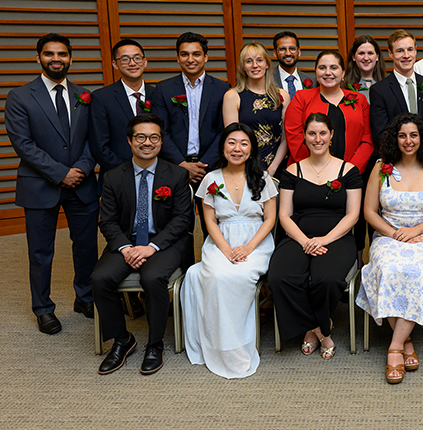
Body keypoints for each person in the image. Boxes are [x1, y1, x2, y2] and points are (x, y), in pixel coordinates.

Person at [5, 33, 99, 334]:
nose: (56, 59)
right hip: (40, 184)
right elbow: (23, 144)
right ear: (38, 58)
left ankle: (84, 297)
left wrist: (81, 169)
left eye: (62, 54)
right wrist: (61, 173)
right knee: (40, 251)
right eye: (49, 54)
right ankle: (43, 308)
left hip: (82, 183)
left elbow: (92, 141)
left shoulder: (84, 95)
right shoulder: (19, 96)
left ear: (71, 58)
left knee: (85, 246)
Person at [91, 114, 193, 375]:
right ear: (130, 141)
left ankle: (155, 344)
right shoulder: (114, 177)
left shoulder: (177, 175)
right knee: (100, 278)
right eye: (141, 137)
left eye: (154, 137)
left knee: (153, 276)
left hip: (164, 244)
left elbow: (182, 220)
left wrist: (152, 247)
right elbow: (108, 221)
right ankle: (122, 340)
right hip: (126, 242)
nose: (147, 142)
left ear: (160, 141)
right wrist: (126, 248)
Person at [356, 113, 423, 384]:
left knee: (418, 269)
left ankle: (394, 346)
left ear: (422, 138)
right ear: (394, 139)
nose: (408, 141)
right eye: (402, 135)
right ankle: (404, 342)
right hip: (388, 235)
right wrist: (394, 234)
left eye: (413, 135)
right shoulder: (380, 168)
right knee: (388, 268)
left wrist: (416, 231)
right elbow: (369, 212)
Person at [181, 123, 278, 379]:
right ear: (223, 147)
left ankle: (237, 344)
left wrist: (248, 247)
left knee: (237, 277)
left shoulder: (263, 178)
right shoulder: (211, 180)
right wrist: (226, 249)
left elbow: (270, 219)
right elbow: (210, 221)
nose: (237, 148)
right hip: (220, 242)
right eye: (232, 142)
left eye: (244, 143)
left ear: (251, 148)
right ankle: (219, 344)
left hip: (256, 241)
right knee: (215, 276)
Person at [268, 113, 363, 359]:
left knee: (327, 280)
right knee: (280, 277)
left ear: (331, 136)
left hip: (337, 236)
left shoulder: (349, 170)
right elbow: (285, 215)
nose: (317, 139)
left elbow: (352, 215)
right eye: (312, 133)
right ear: (304, 137)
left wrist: (324, 240)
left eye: (322, 133)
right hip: (299, 235)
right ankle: (319, 329)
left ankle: (312, 328)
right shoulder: (292, 171)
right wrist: (304, 241)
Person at [150, 32, 229, 238]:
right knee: (178, 226)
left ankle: (211, 269)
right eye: (184, 54)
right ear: (177, 58)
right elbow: (159, 131)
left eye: (196, 54)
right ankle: (183, 269)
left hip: (211, 168)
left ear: (206, 57)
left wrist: (203, 165)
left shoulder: (222, 88)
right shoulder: (164, 88)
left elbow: (224, 130)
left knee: (214, 226)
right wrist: (182, 164)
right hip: (174, 167)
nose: (191, 59)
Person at [284, 50, 373, 174]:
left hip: (350, 174)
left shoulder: (359, 100)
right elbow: (294, 136)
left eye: (333, 67)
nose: (327, 72)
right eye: (322, 68)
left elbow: (367, 139)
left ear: (343, 73)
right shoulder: (302, 98)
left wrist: (350, 171)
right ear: (316, 73)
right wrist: (313, 169)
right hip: (307, 173)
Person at [222, 42, 291, 177]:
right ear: (243, 67)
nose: (255, 65)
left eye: (259, 60)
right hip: (243, 167)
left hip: (277, 167)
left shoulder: (282, 96)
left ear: (267, 64)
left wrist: (272, 168)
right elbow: (233, 140)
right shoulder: (232, 96)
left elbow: (286, 138)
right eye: (249, 61)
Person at [369, 30, 423, 154]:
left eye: (410, 49)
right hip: (396, 160)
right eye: (400, 51)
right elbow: (380, 134)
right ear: (390, 53)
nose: (406, 55)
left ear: (415, 51)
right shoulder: (379, 90)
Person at [89, 39, 155, 174]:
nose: (132, 63)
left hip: (157, 175)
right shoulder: (102, 98)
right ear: (115, 64)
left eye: (137, 58)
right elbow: (99, 146)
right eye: (125, 59)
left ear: (145, 61)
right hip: (116, 176)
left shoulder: (158, 95)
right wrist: (128, 172)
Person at [271, 31, 316, 98]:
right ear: (275, 53)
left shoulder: (312, 81)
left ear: (299, 52)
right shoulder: (267, 80)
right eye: (282, 49)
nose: (288, 53)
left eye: (292, 48)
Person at [342, 35, 387, 100]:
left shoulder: (387, 85)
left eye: (370, 53)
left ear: (377, 57)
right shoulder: (343, 86)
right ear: (353, 57)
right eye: (361, 53)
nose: (366, 58)